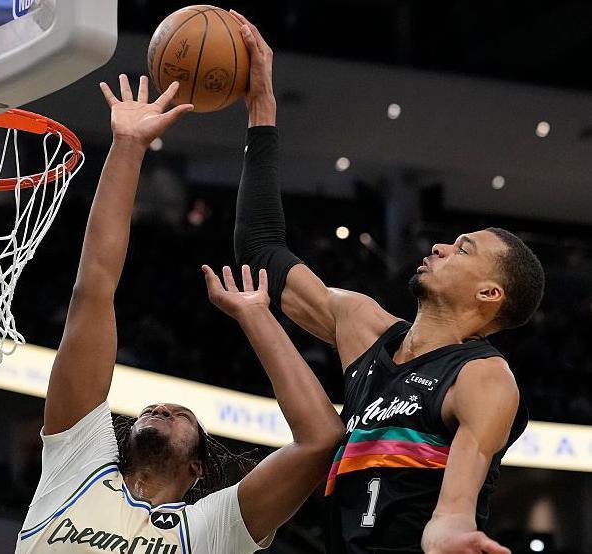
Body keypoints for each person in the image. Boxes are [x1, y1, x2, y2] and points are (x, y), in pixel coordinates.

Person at [227, 10, 543, 554]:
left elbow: (456, 504)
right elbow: (259, 250)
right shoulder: (362, 326)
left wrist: (448, 532)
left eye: (463, 248)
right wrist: (262, 108)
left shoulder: (484, 378)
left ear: (490, 294)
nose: (440, 247)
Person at [16, 75, 344, 553]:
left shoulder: (213, 528)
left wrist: (257, 315)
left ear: (198, 468)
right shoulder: (76, 463)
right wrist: (128, 146)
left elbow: (320, 439)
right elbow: (94, 291)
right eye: (164, 410)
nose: (161, 408)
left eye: (182, 415)